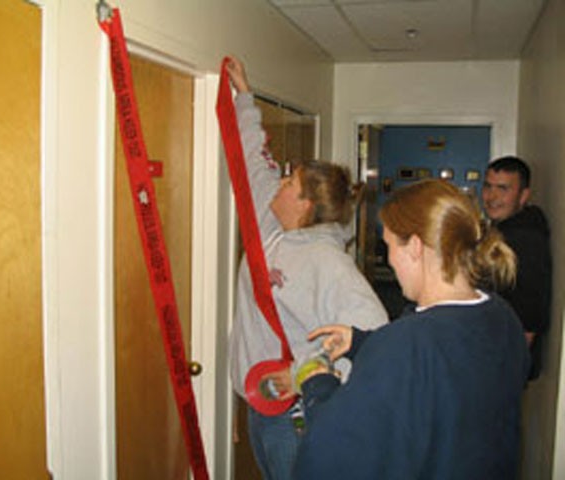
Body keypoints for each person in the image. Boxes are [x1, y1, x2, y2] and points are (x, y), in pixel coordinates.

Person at [292, 179, 530, 480]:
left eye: (390, 245)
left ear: (415, 246)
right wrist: (363, 342)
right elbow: (448, 366)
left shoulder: (406, 344)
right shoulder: (501, 316)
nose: (390, 259)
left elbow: (335, 452)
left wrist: (318, 385)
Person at [224, 56, 389, 480]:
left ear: (305, 204)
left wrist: (302, 376)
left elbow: (375, 339)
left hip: (294, 418)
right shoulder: (271, 228)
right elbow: (254, 163)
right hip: (260, 403)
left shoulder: (327, 262)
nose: (278, 183)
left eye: (289, 183)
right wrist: (245, 97)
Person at [482, 155, 552, 380]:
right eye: (488, 186)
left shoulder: (525, 239)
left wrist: (509, 370)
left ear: (523, 196)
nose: (491, 197)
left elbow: (530, 309)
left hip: (504, 360)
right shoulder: (504, 229)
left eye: (503, 189)